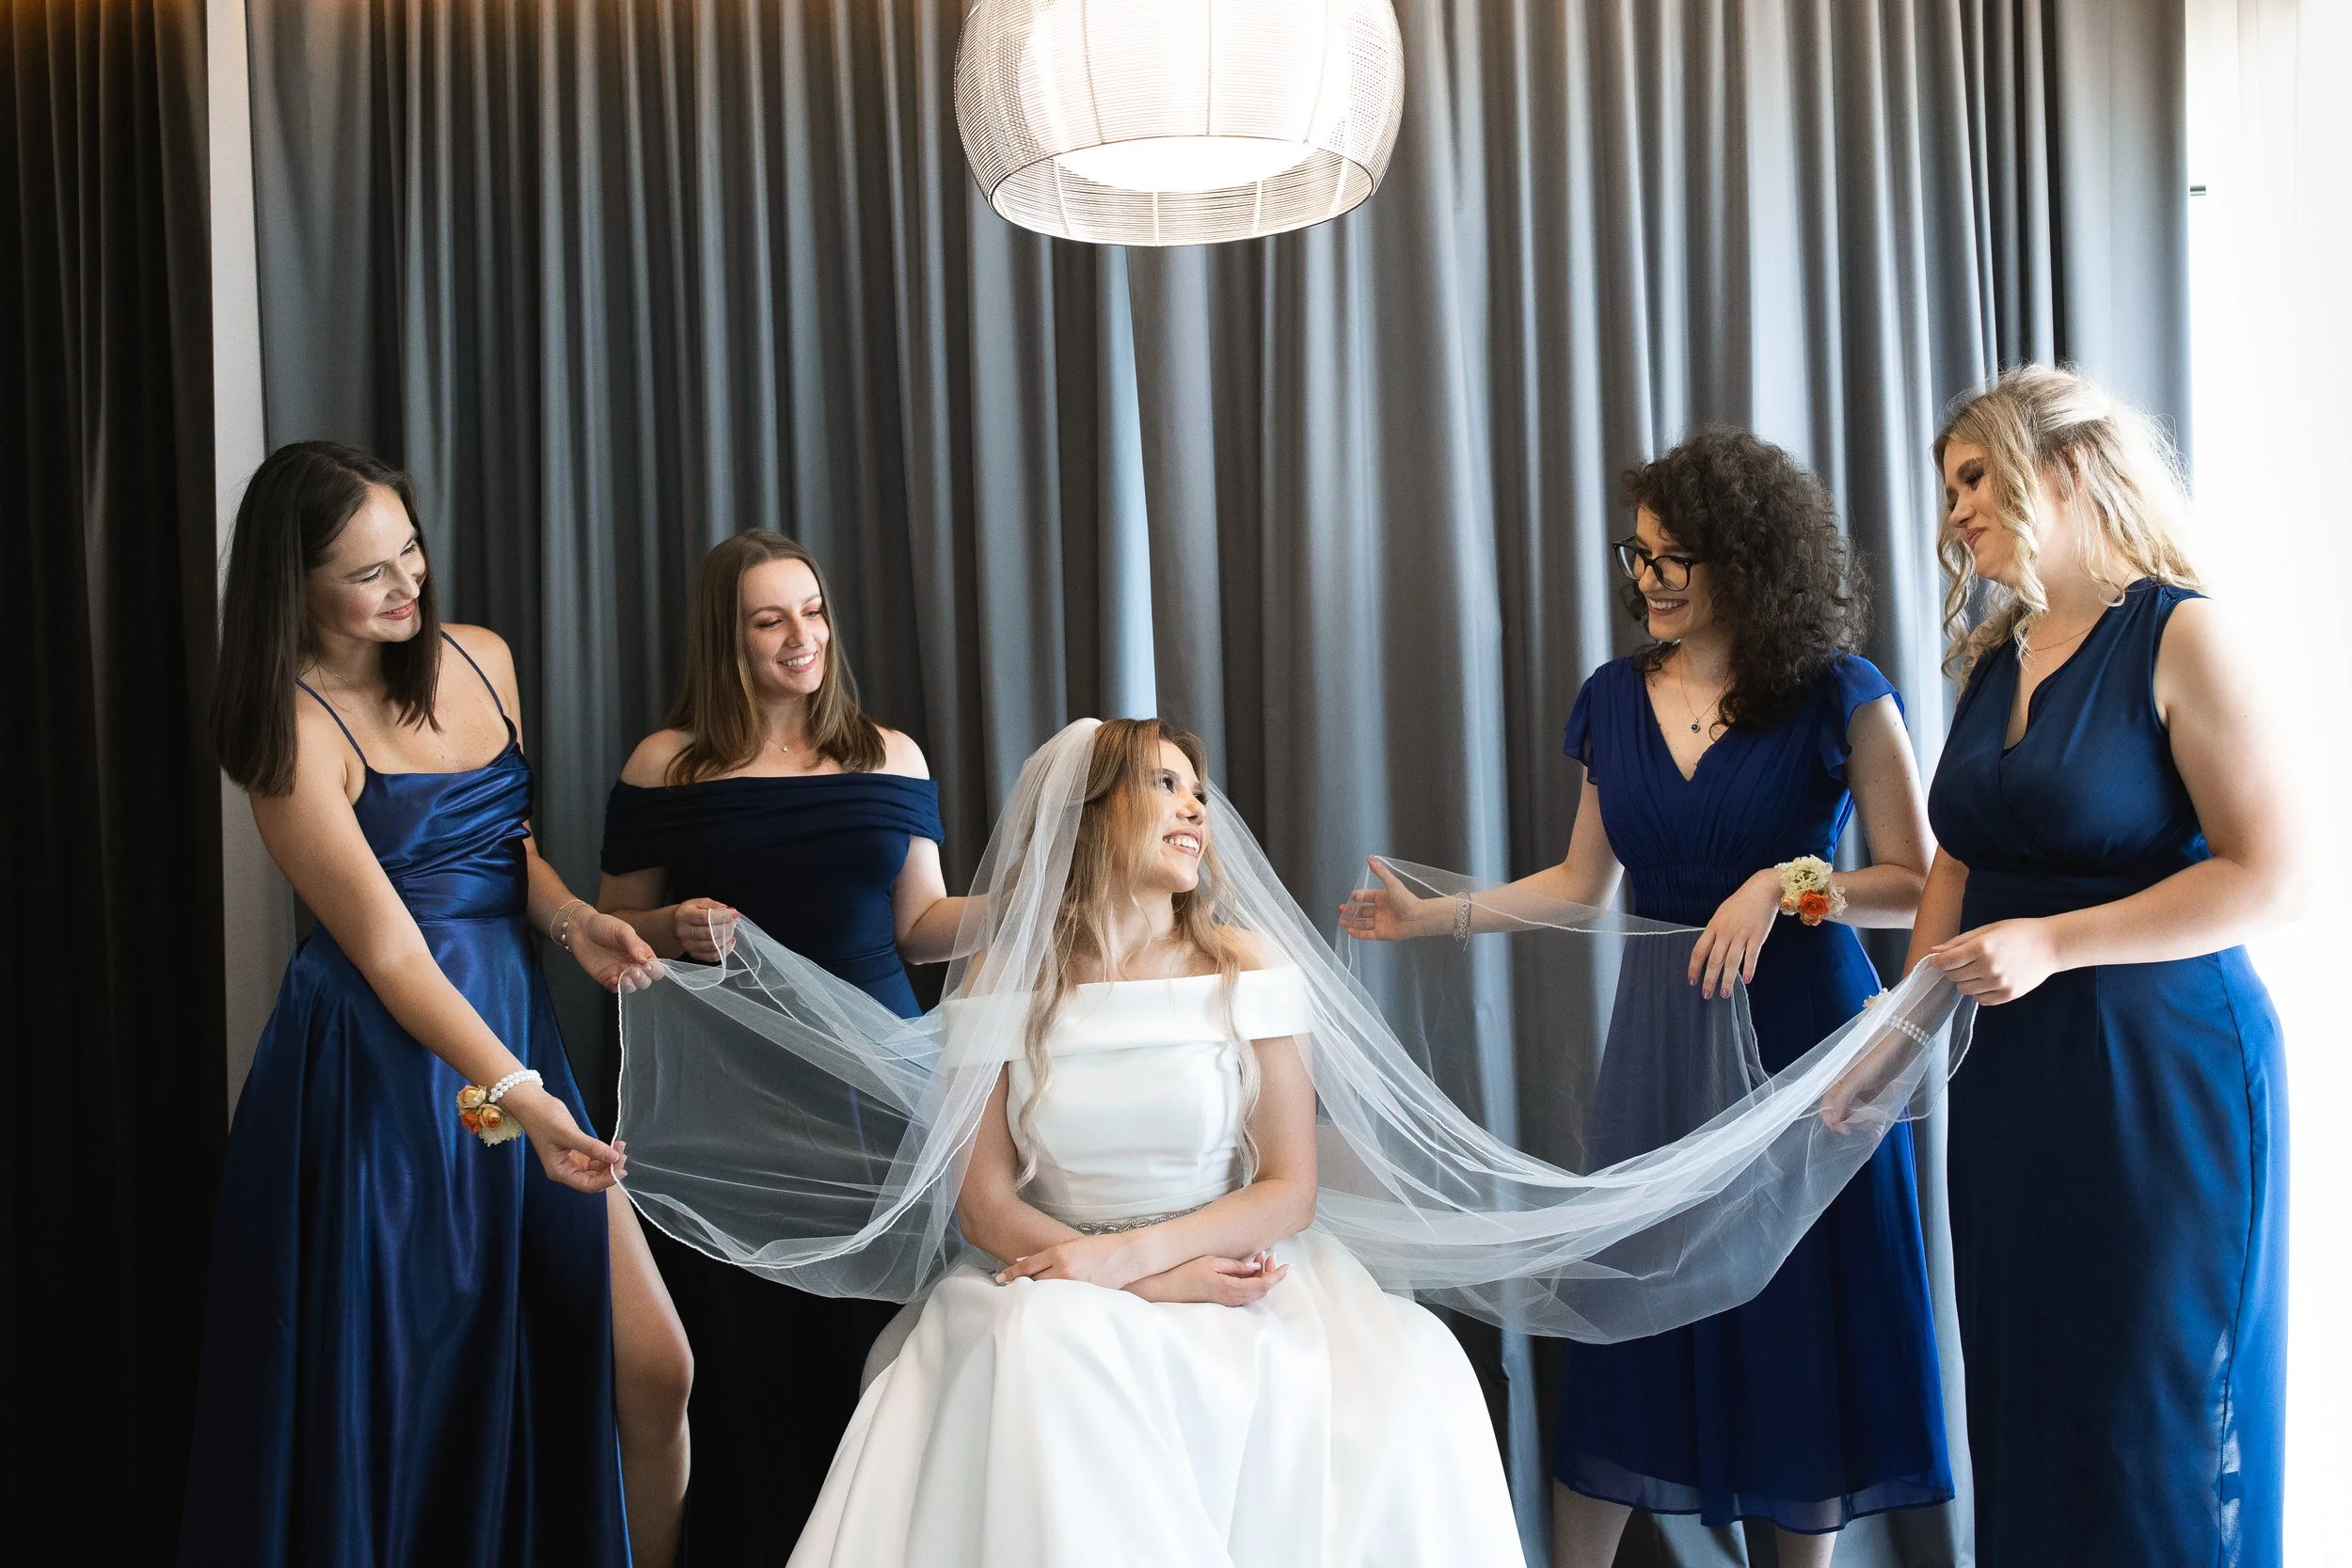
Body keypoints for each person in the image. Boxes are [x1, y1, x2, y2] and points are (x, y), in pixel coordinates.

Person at [1343, 429, 1953, 1565]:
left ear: (1751, 559)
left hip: (1805, 1048)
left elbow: (1914, 878)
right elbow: (1581, 885)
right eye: (1640, 554)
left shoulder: (1839, 694)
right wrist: (1438, 915)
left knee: (1794, 1332)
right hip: (1659, 1053)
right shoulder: (1612, 698)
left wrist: (1785, 883)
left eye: (1678, 556)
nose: (1649, 578)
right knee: (1625, 1321)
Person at [781, 719, 1527, 1567]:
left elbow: (1290, 1188)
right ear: (1093, 811)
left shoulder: (1244, 962)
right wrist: (1142, 1277)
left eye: (1200, 794)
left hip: (1226, 1263)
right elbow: (983, 1201)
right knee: (1039, 1350)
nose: (1195, 810)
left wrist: (1142, 1261)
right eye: (1166, 784)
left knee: (1417, 1372)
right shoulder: (1004, 976)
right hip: (1057, 1268)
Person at [181, 441, 690, 1568]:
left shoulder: (481, 657)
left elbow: (507, 856)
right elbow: (393, 954)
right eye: (369, 572)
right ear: (292, 583)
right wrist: (524, 1092)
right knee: (416, 1399)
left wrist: (572, 923)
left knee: (655, 1364)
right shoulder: (293, 730)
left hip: (507, 1027)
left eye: (409, 548)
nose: (408, 583)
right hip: (383, 1074)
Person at [1913, 365, 2297, 1565]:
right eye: (1949, 488)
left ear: (2064, 467)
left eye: (1975, 476)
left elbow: (2270, 872)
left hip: (2161, 1072)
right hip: (2010, 1084)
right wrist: (1890, 1038)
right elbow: (1956, 861)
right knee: (2031, 1398)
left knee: (2153, 1411)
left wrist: (2055, 941)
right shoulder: (1991, 659)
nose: (1956, 511)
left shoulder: (2180, 630)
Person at [596, 531, 965, 1553]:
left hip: (877, 1092)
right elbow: (609, 926)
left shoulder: (890, 752)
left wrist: (1042, 910)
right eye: (771, 618)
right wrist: (675, 929)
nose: (802, 636)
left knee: (875, 1339)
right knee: (745, 1348)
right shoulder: (666, 764)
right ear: (728, 636)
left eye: (812, 611)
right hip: (731, 1100)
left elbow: (922, 925)